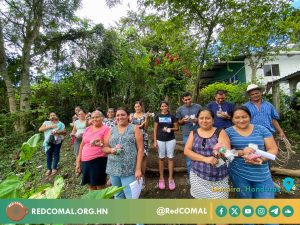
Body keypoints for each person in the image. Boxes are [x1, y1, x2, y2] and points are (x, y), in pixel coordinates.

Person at [226, 106, 278, 200]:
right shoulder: (228, 132)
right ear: (232, 119)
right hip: (239, 174)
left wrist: (262, 159)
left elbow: (273, 149)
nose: (241, 120)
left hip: (262, 173)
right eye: (237, 117)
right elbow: (226, 153)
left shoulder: (262, 129)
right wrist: (242, 152)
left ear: (250, 117)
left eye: (244, 117)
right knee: (246, 202)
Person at [184, 108, 231, 201]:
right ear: (197, 120)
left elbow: (227, 152)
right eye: (201, 118)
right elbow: (187, 151)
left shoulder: (220, 132)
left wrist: (220, 151)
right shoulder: (193, 133)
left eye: (207, 118)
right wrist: (205, 159)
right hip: (197, 176)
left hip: (218, 178)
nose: (204, 121)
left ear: (213, 120)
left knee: (219, 206)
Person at [103, 107, 143, 199]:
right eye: (117, 115)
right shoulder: (111, 130)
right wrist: (111, 150)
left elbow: (140, 149)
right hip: (113, 168)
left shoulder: (134, 128)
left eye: (122, 115)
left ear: (128, 116)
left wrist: (138, 169)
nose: (119, 117)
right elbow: (104, 148)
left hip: (129, 169)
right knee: (118, 194)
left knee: (131, 196)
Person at [75, 110, 110, 190]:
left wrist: (100, 144)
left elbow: (106, 146)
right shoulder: (87, 129)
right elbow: (82, 145)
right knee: (90, 185)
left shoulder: (106, 129)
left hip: (98, 161)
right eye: (92, 117)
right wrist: (78, 161)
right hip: (85, 161)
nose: (94, 119)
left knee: (99, 185)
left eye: (97, 117)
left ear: (102, 118)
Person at [176, 92, 202, 181]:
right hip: (186, 134)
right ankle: (190, 177)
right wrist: (182, 121)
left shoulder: (198, 107)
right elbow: (178, 122)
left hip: (199, 133)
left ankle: (200, 176)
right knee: (189, 155)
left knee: (200, 153)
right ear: (182, 100)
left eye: (189, 99)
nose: (188, 101)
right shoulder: (180, 109)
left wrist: (198, 120)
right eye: (186, 100)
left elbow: (204, 117)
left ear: (191, 98)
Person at [153, 101, 179, 190]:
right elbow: (155, 129)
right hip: (160, 140)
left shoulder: (172, 116)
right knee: (161, 158)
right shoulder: (157, 117)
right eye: (162, 106)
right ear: (160, 108)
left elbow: (177, 128)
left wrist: (169, 129)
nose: (164, 108)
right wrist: (155, 141)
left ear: (168, 107)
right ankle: (161, 178)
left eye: (165, 106)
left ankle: (171, 178)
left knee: (170, 158)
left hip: (170, 139)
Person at [130, 101, 150, 186]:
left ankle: (142, 176)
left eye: (139, 106)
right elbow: (130, 126)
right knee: (134, 155)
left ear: (141, 107)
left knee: (144, 156)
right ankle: (134, 176)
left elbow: (146, 127)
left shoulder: (145, 115)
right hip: (133, 137)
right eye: (136, 107)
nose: (137, 108)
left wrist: (147, 119)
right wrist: (139, 125)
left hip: (143, 136)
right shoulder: (131, 115)